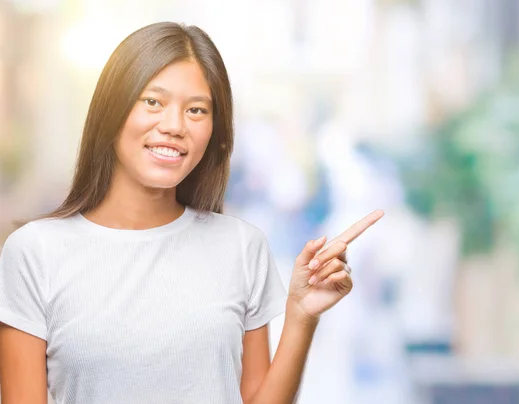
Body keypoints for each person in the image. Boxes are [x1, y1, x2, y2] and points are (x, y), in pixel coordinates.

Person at [0, 22, 383, 404]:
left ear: (214, 131)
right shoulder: (35, 253)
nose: (174, 126)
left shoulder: (241, 247)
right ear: (112, 108)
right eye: (153, 102)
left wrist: (301, 314)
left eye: (196, 110)